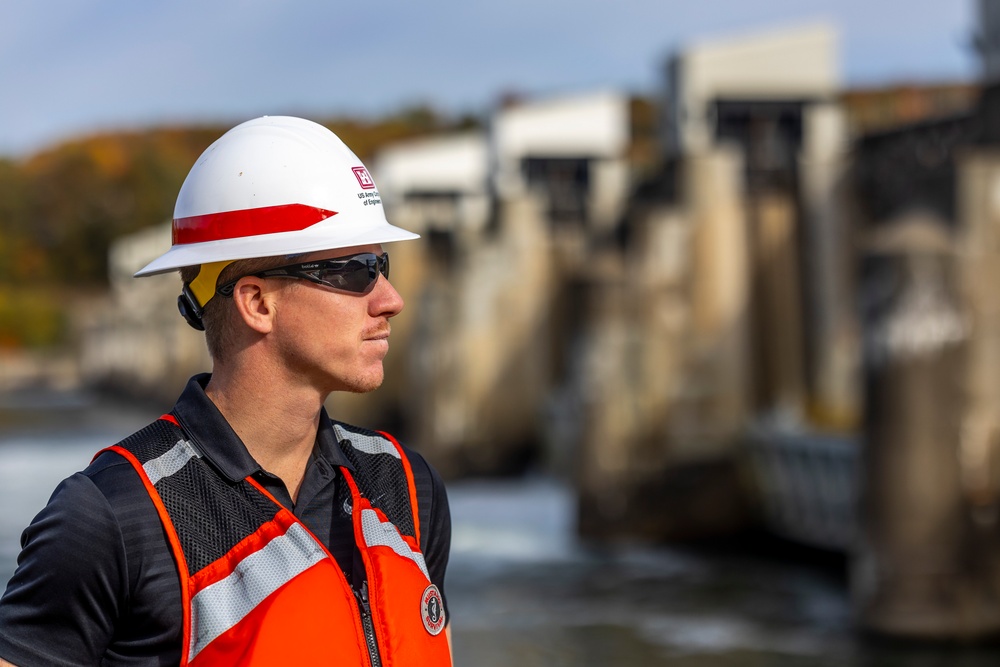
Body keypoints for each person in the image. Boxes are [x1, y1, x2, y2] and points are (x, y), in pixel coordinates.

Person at [0, 116, 453, 666]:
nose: (390, 299)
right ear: (257, 302)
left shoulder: (407, 486)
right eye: (355, 271)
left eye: (382, 265)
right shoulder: (112, 517)